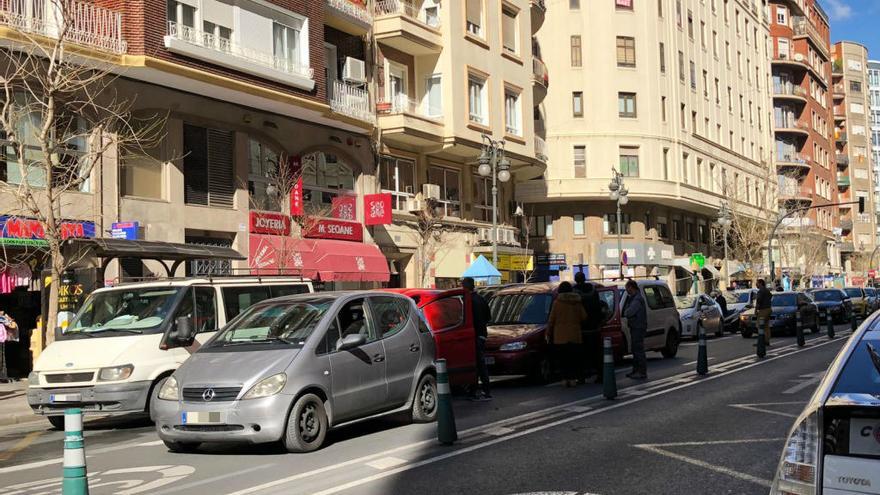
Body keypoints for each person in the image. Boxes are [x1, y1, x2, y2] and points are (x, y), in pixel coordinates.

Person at [547, 282, 587, 387]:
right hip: (575, 335)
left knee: (563, 360)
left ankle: (565, 379)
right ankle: (573, 378)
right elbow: (584, 317)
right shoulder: (577, 302)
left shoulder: (557, 303)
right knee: (573, 359)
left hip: (560, 336)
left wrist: (548, 332)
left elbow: (551, 320)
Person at [574, 272, 607, 383]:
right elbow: (599, 306)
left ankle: (582, 377)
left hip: (582, 328)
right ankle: (600, 375)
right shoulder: (593, 291)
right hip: (594, 326)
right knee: (596, 352)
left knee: (581, 354)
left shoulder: (574, 292)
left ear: (576, 279)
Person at [462, 277, 492, 401]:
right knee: (480, 364)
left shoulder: (469, 301)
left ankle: (478, 391)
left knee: (477, 364)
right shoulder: (481, 299)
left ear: (465, 287)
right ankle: (482, 390)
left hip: (474, 335)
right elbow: (488, 317)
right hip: (482, 334)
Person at [621, 280, 648, 379]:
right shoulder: (634, 298)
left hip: (638, 327)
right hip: (636, 326)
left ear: (631, 287)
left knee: (638, 350)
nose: (626, 290)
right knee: (635, 349)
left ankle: (641, 371)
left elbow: (629, 312)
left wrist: (626, 311)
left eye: (627, 288)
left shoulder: (637, 299)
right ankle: (636, 370)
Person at [755, 278, 773, 347]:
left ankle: (761, 341)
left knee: (760, 325)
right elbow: (771, 296)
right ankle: (767, 340)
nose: (756, 284)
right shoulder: (767, 290)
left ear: (760, 283)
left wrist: (756, 310)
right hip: (768, 309)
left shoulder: (761, 291)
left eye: (757, 283)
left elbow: (758, 301)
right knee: (766, 326)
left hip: (763, 310)